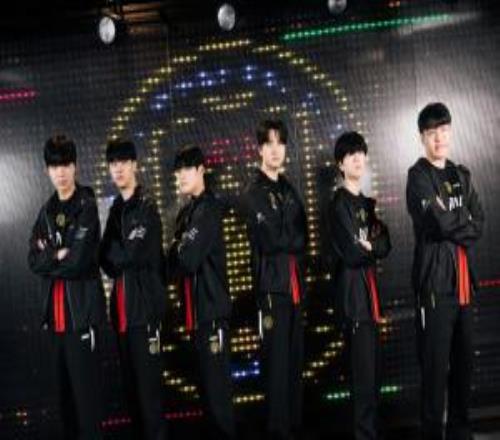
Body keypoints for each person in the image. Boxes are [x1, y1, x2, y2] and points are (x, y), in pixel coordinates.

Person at [406, 103, 484, 440]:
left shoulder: (461, 174)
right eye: (431, 132)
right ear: (422, 137)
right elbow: (436, 222)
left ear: (450, 132)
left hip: (464, 284)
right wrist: (460, 220)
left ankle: (460, 433)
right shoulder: (418, 176)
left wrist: (454, 222)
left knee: (464, 367)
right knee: (435, 370)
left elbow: (479, 222)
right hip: (435, 286)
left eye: (444, 130)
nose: (439, 138)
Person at [28, 135, 105, 439]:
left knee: (88, 411)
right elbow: (32, 260)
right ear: (47, 170)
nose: (60, 172)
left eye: (65, 165)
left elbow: (79, 261)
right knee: (66, 410)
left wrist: (52, 256)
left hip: (82, 322)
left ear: (75, 167)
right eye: (54, 166)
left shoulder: (86, 205)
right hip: (55, 327)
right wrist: (56, 254)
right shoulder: (46, 211)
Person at [240, 120, 307, 439]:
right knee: (276, 368)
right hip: (271, 290)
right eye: (269, 143)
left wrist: (288, 235)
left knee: (294, 365)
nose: (276, 150)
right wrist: (289, 235)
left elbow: (303, 237)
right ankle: (278, 432)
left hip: (294, 288)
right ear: (260, 149)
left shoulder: (289, 189)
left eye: (280, 143)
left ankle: (293, 428)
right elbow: (271, 240)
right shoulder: (253, 192)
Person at [99, 139, 167, 440]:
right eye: (113, 164)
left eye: (123, 162)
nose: (118, 169)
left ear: (135, 165)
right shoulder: (116, 209)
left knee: (150, 401)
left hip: (145, 314)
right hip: (122, 317)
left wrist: (118, 251)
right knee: (133, 401)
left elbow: (133, 254)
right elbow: (105, 258)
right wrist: (118, 252)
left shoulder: (147, 205)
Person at [326, 131, 391, 440]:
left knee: (374, 379)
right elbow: (351, 253)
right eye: (350, 154)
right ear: (340, 164)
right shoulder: (338, 204)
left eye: (360, 153)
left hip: (372, 300)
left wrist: (370, 246)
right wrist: (369, 247)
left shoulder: (367, 203)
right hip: (354, 302)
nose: (357, 159)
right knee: (363, 381)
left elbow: (385, 243)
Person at [167, 145, 235, 439]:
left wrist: (179, 249)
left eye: (186, 169)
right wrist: (178, 250)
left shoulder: (208, 209)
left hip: (212, 314)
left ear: (201, 170)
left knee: (218, 398)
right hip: (197, 316)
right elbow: (172, 264)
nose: (181, 176)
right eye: (177, 171)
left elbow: (186, 259)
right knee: (206, 397)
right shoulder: (188, 213)